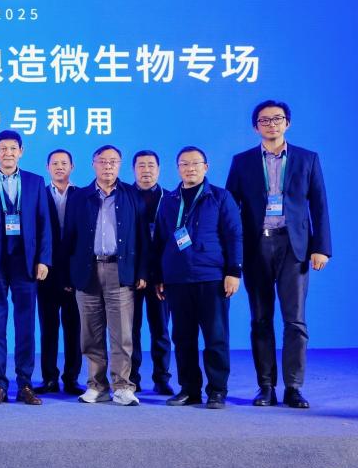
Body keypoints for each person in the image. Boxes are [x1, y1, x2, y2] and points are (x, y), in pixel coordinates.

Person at [226, 100, 331, 409]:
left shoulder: (307, 158)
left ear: (287, 123)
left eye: (277, 119)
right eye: (264, 120)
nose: (271, 124)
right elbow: (231, 211)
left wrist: (321, 247)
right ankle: (266, 387)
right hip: (256, 247)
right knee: (260, 319)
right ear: (255, 127)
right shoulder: (242, 162)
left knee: (295, 321)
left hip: (294, 247)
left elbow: (319, 205)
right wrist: (233, 254)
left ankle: (294, 387)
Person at [153, 146, 243, 409]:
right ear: (177, 168)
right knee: (183, 338)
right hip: (177, 280)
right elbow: (160, 241)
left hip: (211, 278)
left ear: (206, 167)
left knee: (215, 337)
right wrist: (160, 275)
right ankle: (189, 389)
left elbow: (234, 235)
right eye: (184, 164)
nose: (189, 168)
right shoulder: (169, 200)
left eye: (195, 163)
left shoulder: (220, 197)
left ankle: (217, 390)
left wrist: (233, 271)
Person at [63, 145, 149, 407]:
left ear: (120, 165)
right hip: (87, 271)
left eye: (113, 161)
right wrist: (68, 275)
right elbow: (69, 238)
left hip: (120, 271)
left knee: (122, 333)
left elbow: (143, 237)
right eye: (102, 161)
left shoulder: (132, 195)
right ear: (93, 164)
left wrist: (142, 271)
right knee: (90, 333)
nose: (108, 166)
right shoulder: (80, 197)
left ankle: (122, 386)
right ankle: (96, 386)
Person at [0, 130, 51, 407]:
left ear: (21, 151)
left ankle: (25, 384)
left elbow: (44, 224)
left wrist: (44, 260)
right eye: (2, 148)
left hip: (26, 262)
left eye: (13, 148)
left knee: (25, 326)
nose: (8, 153)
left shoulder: (35, 182)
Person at [34, 149, 83, 396]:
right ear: (47, 167)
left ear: (72, 167)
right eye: (55, 163)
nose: (59, 167)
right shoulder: (39, 195)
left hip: (75, 273)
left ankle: (71, 378)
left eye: (64, 163)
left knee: (74, 328)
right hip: (46, 272)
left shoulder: (82, 195)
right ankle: (49, 378)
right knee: (48, 328)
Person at [129, 150, 174, 395]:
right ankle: (132, 377)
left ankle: (161, 378)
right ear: (133, 169)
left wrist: (164, 275)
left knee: (161, 329)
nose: (146, 170)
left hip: (160, 276)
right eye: (141, 166)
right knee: (130, 330)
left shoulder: (171, 199)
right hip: (131, 274)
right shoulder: (124, 196)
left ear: (158, 169)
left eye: (151, 165)